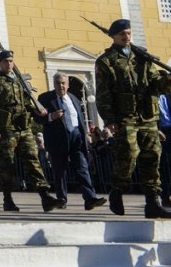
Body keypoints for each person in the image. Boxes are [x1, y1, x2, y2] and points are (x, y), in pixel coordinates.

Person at [95, 19, 171, 218]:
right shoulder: (106, 61)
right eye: (122, 34)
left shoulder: (142, 57)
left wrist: (167, 81)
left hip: (147, 116)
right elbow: (103, 93)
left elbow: (156, 84)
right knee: (129, 155)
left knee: (152, 158)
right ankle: (117, 191)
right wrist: (109, 119)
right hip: (124, 117)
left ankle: (153, 202)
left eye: (128, 33)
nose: (126, 37)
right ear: (113, 36)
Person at [0, 49, 61, 212]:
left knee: (33, 161)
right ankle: (8, 199)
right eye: (5, 61)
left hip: (23, 127)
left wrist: (37, 110)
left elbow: (27, 102)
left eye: (11, 61)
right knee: (7, 165)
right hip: (6, 129)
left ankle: (45, 197)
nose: (9, 63)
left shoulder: (19, 81)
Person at [37, 73, 106, 211]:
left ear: (68, 85)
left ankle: (90, 198)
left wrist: (84, 135)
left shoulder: (74, 98)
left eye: (63, 83)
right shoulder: (45, 98)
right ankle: (62, 199)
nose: (61, 86)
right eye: (58, 83)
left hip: (76, 136)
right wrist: (51, 116)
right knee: (60, 170)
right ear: (54, 84)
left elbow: (79, 119)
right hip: (57, 139)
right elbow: (37, 118)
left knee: (82, 167)